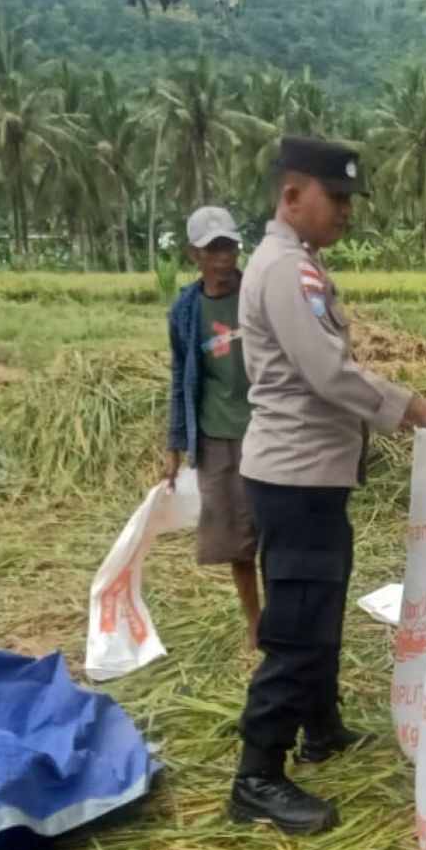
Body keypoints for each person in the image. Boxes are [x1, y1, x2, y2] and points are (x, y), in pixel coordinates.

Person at [231, 135, 426, 836]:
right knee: (299, 627)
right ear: (292, 194)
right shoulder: (284, 271)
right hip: (295, 476)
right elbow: (329, 374)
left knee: (319, 608)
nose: (343, 213)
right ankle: (256, 775)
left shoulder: (296, 264)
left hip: (306, 476)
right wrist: (418, 409)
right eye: (335, 198)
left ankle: (321, 727)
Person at [163, 206, 260, 646]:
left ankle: (279, 619)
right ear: (194, 255)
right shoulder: (185, 309)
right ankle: (255, 623)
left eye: (229, 246)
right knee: (233, 536)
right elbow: (180, 373)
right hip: (216, 434)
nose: (223, 257)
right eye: (213, 249)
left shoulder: (257, 293)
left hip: (265, 428)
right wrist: (174, 447)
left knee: (273, 528)